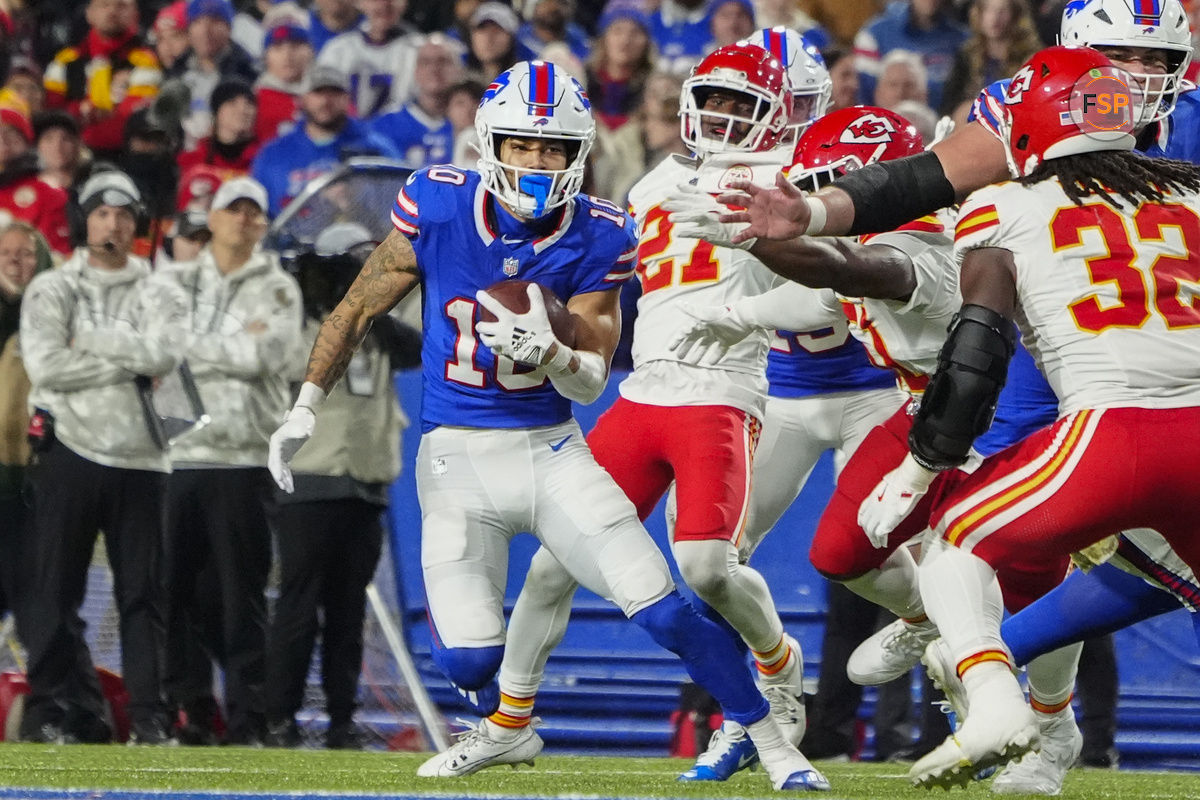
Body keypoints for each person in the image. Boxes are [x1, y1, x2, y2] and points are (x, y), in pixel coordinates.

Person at [266, 59, 828, 792]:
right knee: (469, 661)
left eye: (555, 148)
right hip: (454, 460)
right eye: (524, 146)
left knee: (662, 606)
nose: (538, 162)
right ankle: (508, 729)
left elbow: (593, 376)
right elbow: (356, 309)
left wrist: (555, 354)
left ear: (578, 153)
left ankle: (774, 742)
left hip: (550, 450)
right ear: (489, 143)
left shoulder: (601, 232)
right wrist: (305, 405)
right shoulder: (437, 205)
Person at [441, 45, 821, 784]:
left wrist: (738, 304)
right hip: (643, 391)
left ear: (777, 112)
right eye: (715, 98)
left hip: (720, 392)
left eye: (744, 104)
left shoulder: (789, 185)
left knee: (706, 567)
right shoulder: (652, 184)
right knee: (553, 568)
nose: (724, 116)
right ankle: (508, 723)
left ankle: (779, 663)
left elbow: (820, 299)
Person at [855, 44, 1200, 789]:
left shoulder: (1003, 204)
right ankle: (1037, 727)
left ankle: (991, 696)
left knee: (956, 545)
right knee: (1160, 576)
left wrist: (920, 467)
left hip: (1115, 429)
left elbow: (975, 357)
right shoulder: (1194, 191)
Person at [17, 169, 187, 744]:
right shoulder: (53, 287)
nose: (112, 223)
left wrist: (88, 342)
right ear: (82, 219)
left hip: (143, 461)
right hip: (71, 450)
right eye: (100, 212)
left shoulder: (161, 290)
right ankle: (50, 711)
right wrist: (131, 359)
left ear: (136, 222)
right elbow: (45, 367)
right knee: (55, 590)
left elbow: (165, 353)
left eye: (122, 213)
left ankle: (148, 718)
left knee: (144, 596)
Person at [264, 223, 420, 750]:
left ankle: (340, 720)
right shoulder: (302, 325)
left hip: (362, 487)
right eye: (349, 267)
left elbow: (419, 345)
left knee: (348, 614)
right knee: (298, 607)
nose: (359, 277)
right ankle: (279, 716)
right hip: (311, 481)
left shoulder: (380, 332)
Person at [160, 175, 304, 746]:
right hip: (179, 457)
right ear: (213, 218)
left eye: (254, 211)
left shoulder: (279, 288)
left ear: (264, 224)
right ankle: (192, 711)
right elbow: (160, 348)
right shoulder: (173, 282)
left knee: (240, 595)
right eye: (233, 209)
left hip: (245, 458)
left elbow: (267, 354)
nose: (243, 219)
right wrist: (229, 344)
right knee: (175, 592)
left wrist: (193, 345)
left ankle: (247, 717)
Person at [251, 65, 400, 217]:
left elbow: (400, 205)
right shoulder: (274, 154)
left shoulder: (379, 150)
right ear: (303, 98)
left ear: (347, 99)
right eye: (318, 92)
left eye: (334, 93)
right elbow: (261, 212)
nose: (325, 101)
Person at [0, 222, 53, 620]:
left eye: (26, 253)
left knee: (34, 596)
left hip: (38, 475)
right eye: (6, 253)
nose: (16, 261)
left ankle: (46, 680)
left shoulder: (60, 313)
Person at [42, 0, 162, 161]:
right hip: (68, 157)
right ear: (89, 14)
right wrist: (97, 113)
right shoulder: (65, 60)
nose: (112, 11)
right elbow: (52, 115)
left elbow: (131, 122)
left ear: (135, 14)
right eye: (104, 5)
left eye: (121, 5)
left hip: (124, 157)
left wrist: (81, 112)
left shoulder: (147, 60)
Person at [369, 34, 465, 169]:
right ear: (416, 71)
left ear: (459, 70)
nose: (434, 69)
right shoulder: (386, 124)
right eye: (425, 62)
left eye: (442, 61)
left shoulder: (473, 122)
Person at [937, 0, 1041, 120]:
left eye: (1003, 11)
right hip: (972, 128)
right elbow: (948, 106)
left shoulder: (1031, 57)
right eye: (988, 10)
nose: (995, 18)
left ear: (1015, 14)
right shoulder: (966, 55)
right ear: (979, 13)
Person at [316, 0, 420, 118]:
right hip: (347, 132)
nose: (385, 4)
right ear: (360, 3)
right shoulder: (337, 49)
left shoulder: (422, 51)